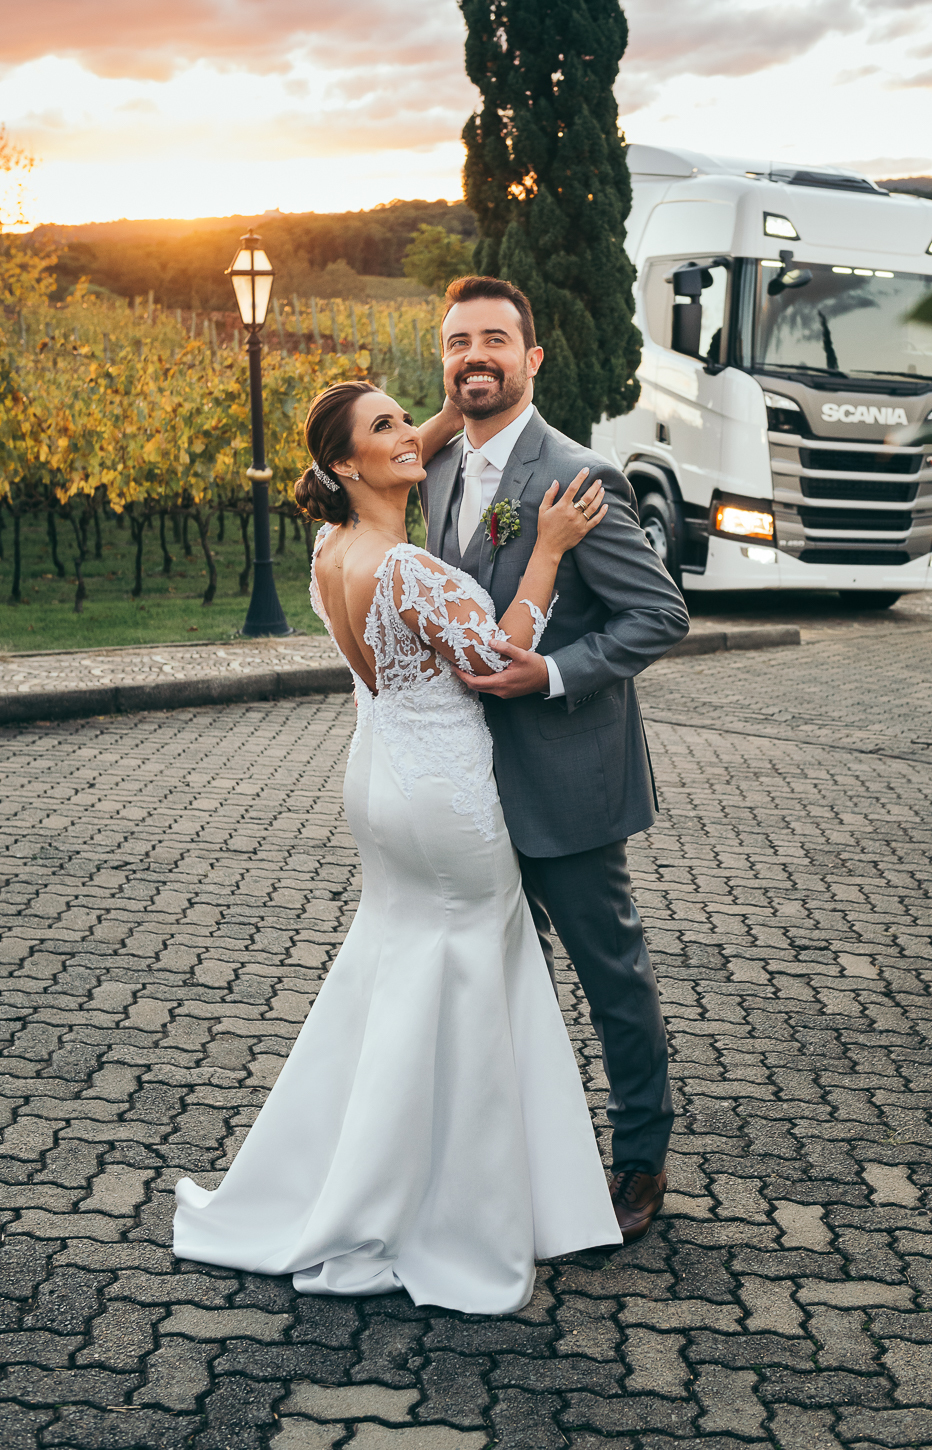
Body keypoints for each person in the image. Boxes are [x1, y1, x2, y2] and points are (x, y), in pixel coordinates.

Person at [172, 379, 623, 1314]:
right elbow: (498, 659)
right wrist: (545, 550)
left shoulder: (332, 543)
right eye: (386, 427)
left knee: (394, 969)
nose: (409, 433)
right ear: (345, 461)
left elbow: (401, 444)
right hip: (444, 796)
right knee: (464, 973)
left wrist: (459, 401)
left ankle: (358, 1172)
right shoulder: (408, 569)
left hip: (379, 779)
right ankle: (452, 1205)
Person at [423, 275, 690, 1243]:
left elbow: (659, 613)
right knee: (508, 978)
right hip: (466, 781)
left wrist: (550, 672)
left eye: (495, 338)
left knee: (609, 973)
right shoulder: (443, 464)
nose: (475, 356)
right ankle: (530, 1148)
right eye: (458, 342)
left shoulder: (580, 476)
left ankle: (641, 1157)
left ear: (533, 358)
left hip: (567, 776)